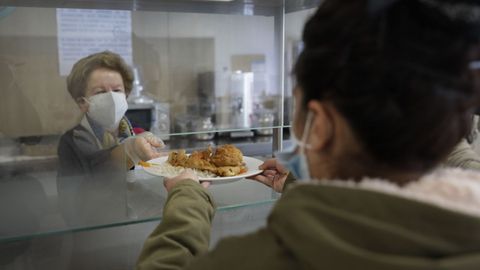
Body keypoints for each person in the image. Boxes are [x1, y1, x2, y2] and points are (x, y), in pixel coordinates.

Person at [137, 0, 480, 269]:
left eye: (295, 105)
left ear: (321, 124)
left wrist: (186, 202)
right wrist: (300, 184)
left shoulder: (259, 260)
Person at [56, 51, 163, 224]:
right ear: (82, 102)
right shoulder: (73, 140)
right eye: (100, 92)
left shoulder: (132, 132)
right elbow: (97, 170)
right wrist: (130, 150)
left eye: (117, 90)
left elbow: (139, 187)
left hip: (134, 231)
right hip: (95, 235)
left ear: (126, 96)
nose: (112, 98)